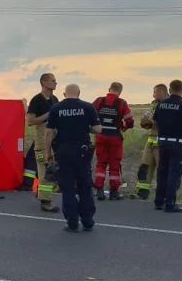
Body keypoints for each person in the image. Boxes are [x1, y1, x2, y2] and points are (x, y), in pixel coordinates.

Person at [45, 84, 102, 232]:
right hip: (82, 151)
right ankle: (88, 221)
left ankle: (72, 222)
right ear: (79, 93)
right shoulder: (88, 107)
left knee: (67, 187)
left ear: (64, 94)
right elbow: (97, 129)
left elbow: (48, 133)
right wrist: (85, 127)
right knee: (84, 185)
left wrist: (47, 153)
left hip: (63, 151)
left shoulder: (56, 108)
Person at [151, 79, 182, 213]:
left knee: (162, 171)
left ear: (170, 90)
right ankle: (170, 202)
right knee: (174, 173)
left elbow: (154, 122)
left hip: (163, 141)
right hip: (178, 143)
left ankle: (159, 201)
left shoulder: (161, 105)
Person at [91, 82, 135, 201]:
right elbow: (130, 121)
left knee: (101, 163)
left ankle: (99, 190)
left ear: (109, 89)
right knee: (114, 165)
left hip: (100, 135)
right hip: (115, 137)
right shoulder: (122, 103)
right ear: (120, 91)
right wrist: (124, 127)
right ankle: (113, 192)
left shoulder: (99, 101)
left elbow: (89, 114)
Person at [27, 73, 60, 211]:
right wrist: (49, 114)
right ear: (44, 82)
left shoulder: (55, 99)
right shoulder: (36, 100)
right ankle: (45, 202)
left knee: (54, 169)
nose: (55, 83)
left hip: (54, 138)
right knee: (46, 170)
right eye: (53, 81)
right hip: (41, 142)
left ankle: (42, 193)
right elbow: (30, 121)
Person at [135, 84, 169, 200]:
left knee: (162, 169)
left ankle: (162, 195)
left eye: (155, 92)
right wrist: (145, 120)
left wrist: (152, 121)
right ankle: (142, 192)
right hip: (150, 141)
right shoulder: (154, 104)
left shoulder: (168, 105)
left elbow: (165, 124)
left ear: (161, 92)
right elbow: (146, 125)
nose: (153, 95)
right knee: (145, 167)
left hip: (161, 142)